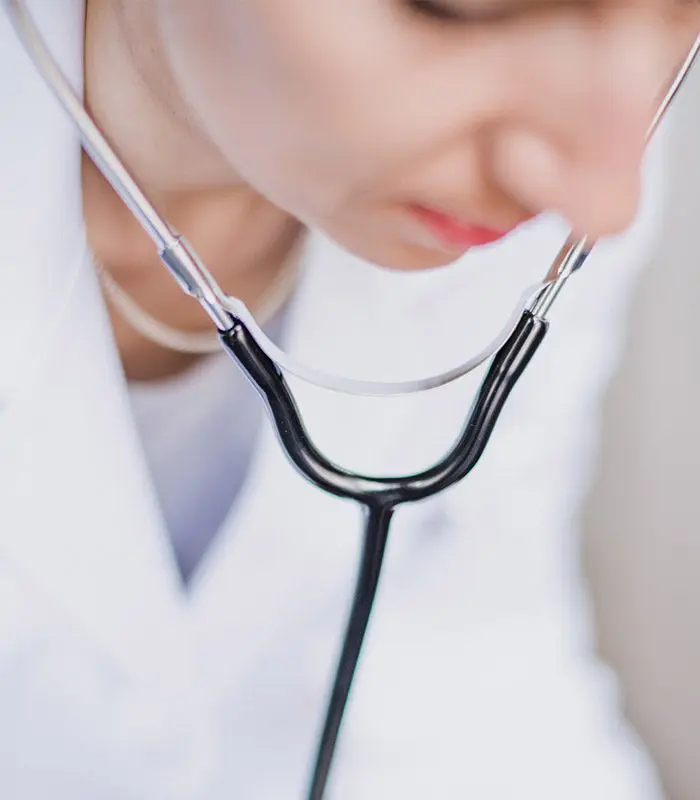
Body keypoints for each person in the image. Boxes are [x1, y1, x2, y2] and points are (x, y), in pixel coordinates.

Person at [0, 1, 696, 798]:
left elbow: (471, 669)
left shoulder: (575, 152)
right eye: (467, 8)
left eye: (682, 23)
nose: (609, 198)